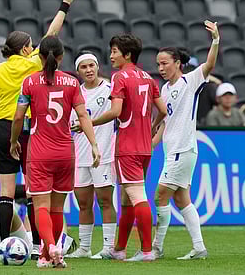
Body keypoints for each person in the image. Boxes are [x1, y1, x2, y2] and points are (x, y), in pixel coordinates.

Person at [0, 0, 75, 260]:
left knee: (5, 194)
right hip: (30, 130)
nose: (34, 48)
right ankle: (34, 245)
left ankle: (4, 247)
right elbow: (52, 35)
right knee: (35, 191)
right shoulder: (33, 64)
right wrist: (64, 5)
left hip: (5, 128)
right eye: (31, 44)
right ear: (25, 49)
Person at [9, 36, 100, 268]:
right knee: (58, 207)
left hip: (40, 152)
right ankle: (49, 253)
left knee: (41, 206)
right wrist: (94, 144)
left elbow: (19, 116)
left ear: (40, 57)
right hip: (65, 152)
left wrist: (13, 141)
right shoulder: (72, 83)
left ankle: (48, 249)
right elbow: (82, 116)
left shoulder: (29, 82)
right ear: (61, 57)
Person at [92, 33, 167, 262]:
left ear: (127, 54)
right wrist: (151, 127)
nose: (111, 55)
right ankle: (120, 249)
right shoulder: (148, 78)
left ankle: (146, 251)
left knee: (136, 196)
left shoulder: (119, 77)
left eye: (115, 51)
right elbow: (163, 111)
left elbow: (115, 112)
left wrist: (89, 122)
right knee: (127, 199)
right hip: (144, 147)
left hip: (127, 147)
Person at [151, 21, 219, 260]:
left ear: (177, 63)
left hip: (183, 149)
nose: (160, 68)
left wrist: (216, 40)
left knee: (160, 195)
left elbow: (209, 64)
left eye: (164, 63)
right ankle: (199, 247)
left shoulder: (190, 81)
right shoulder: (165, 90)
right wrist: (151, 144)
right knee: (182, 199)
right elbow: (164, 124)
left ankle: (156, 247)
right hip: (174, 150)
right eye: (158, 64)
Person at [66, 52, 117, 260]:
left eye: (91, 66)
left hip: (103, 153)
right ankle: (84, 247)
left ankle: (108, 247)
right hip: (79, 155)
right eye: (84, 67)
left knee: (105, 201)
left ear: (97, 67)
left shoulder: (109, 90)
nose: (88, 70)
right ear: (78, 71)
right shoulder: (73, 93)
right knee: (84, 203)